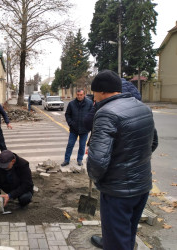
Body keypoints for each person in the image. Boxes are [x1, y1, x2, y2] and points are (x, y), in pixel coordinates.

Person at [87, 70, 158, 250]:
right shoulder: (142, 107)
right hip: (142, 186)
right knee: (128, 235)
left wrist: (97, 178)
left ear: (102, 91)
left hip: (117, 192)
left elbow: (97, 161)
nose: (93, 97)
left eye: (94, 92)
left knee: (115, 243)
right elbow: (153, 142)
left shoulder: (106, 113)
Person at [61, 89, 93, 167]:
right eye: (78, 95)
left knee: (82, 146)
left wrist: (88, 125)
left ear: (84, 95)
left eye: (81, 95)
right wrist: (70, 123)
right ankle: (66, 160)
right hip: (74, 129)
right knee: (70, 145)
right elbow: (67, 114)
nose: (79, 96)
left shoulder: (89, 103)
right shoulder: (71, 104)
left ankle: (79, 160)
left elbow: (92, 115)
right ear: (76, 95)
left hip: (84, 129)